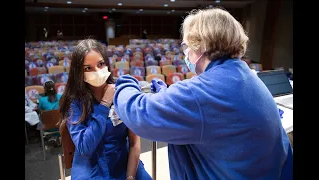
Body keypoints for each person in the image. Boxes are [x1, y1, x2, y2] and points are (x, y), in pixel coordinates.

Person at [113, 8, 293, 179]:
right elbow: (208, 115)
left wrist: (125, 83)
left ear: (200, 45)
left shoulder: (202, 91)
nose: (186, 52)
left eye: (186, 45)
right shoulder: (245, 75)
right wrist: (167, 95)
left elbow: (140, 113)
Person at [58, 39, 152, 180]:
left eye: (100, 64)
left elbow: (134, 143)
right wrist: (104, 104)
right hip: (90, 166)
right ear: (79, 73)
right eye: (88, 68)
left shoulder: (121, 93)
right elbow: (85, 148)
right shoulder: (75, 103)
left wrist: (130, 176)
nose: (97, 71)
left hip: (123, 160)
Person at [38, 80, 63, 146]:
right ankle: (58, 137)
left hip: (47, 127)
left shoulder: (41, 100)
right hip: (61, 125)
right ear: (55, 88)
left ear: (45, 89)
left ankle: (53, 137)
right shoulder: (60, 97)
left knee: (41, 116)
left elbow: (40, 110)